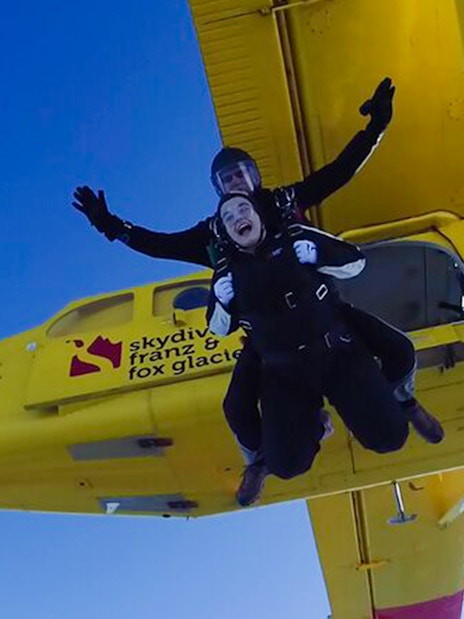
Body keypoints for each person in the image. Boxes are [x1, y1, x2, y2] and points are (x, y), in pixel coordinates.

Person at [72, 77, 443, 505]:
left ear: (255, 176)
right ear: (218, 190)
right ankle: (262, 457)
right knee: (242, 416)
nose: (237, 184)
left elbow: (338, 173)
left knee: (398, 366)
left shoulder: (283, 203)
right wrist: (112, 226)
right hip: (273, 349)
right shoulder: (215, 235)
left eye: (242, 174)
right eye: (228, 180)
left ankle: (404, 399)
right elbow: (160, 244)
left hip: (326, 325)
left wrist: (376, 127)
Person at [207, 192, 410, 489]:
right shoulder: (227, 273)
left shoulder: (293, 237)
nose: (238, 217)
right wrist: (221, 302)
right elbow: (218, 328)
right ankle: (304, 432)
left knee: (391, 435)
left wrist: (319, 254)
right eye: (228, 218)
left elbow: (356, 263)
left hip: (336, 352)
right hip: (285, 372)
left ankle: (405, 400)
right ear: (226, 232)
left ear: (259, 215)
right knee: (287, 465)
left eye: (243, 209)